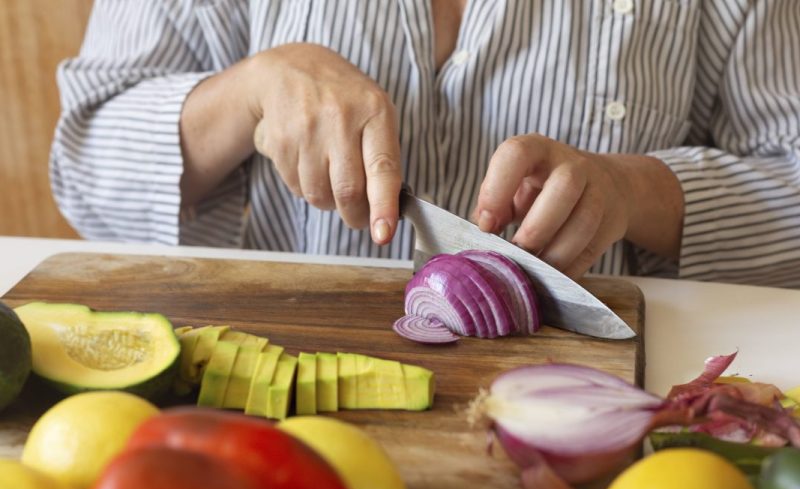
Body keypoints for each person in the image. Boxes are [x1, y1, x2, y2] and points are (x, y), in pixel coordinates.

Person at [50, 0, 800, 287]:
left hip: (590, 409)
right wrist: (246, 93)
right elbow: (85, 164)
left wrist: (636, 191)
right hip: (268, 412)